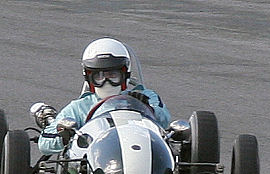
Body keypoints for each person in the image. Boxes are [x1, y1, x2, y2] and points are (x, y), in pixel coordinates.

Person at [35, 38, 171, 154]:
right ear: (89, 78)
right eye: (99, 76)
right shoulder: (79, 107)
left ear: (125, 74)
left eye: (113, 75)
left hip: (143, 153)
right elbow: (45, 142)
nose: (107, 81)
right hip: (96, 162)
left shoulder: (145, 97)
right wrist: (65, 135)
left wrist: (148, 109)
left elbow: (164, 119)